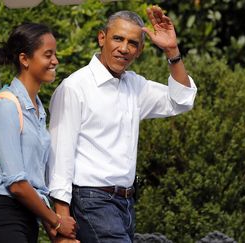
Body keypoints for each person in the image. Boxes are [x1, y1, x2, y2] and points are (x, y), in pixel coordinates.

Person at [48, 6, 197, 243]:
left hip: (125, 204)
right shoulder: (74, 87)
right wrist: (60, 223)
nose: (124, 48)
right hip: (91, 200)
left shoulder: (135, 86)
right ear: (101, 38)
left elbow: (182, 100)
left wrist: (172, 50)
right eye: (118, 38)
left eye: (133, 43)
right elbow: (59, 159)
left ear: (140, 50)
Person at [0, 23, 78, 243]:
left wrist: (54, 229)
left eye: (55, 54)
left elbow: (36, 184)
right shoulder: (6, 105)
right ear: (24, 59)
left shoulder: (38, 108)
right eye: (48, 54)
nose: (55, 61)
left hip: (26, 216)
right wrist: (56, 221)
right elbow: (16, 184)